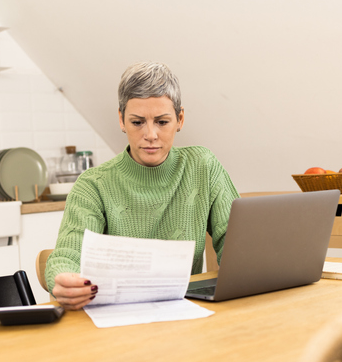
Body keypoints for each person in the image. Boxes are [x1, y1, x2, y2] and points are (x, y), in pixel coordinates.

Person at [45, 62, 240, 310]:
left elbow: (237, 245)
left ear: (180, 119)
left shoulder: (203, 166)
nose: (150, 134)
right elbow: (67, 256)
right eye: (137, 122)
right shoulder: (92, 185)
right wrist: (63, 278)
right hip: (114, 320)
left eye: (162, 121)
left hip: (183, 314)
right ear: (121, 120)